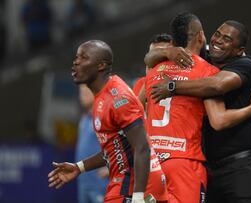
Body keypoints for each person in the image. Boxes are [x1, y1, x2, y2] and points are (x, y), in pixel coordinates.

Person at [146, 19, 251, 202]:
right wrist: (168, 51)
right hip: (208, 165)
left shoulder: (244, 65)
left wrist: (173, 86)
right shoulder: (205, 58)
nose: (218, 40)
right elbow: (149, 58)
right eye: (217, 34)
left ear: (239, 50)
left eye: (227, 39)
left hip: (240, 165)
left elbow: (218, 86)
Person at [48, 40, 168, 203]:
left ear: (101, 66)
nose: (76, 62)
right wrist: (79, 167)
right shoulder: (100, 98)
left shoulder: (119, 97)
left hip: (137, 186)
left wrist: (138, 197)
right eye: (76, 57)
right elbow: (115, 150)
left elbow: (142, 147)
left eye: (83, 58)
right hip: (123, 183)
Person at [76, 84, 108, 203]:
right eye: (80, 93)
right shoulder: (84, 119)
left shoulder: (103, 117)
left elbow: (120, 145)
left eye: (84, 93)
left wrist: (110, 169)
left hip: (99, 184)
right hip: (84, 183)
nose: (81, 97)